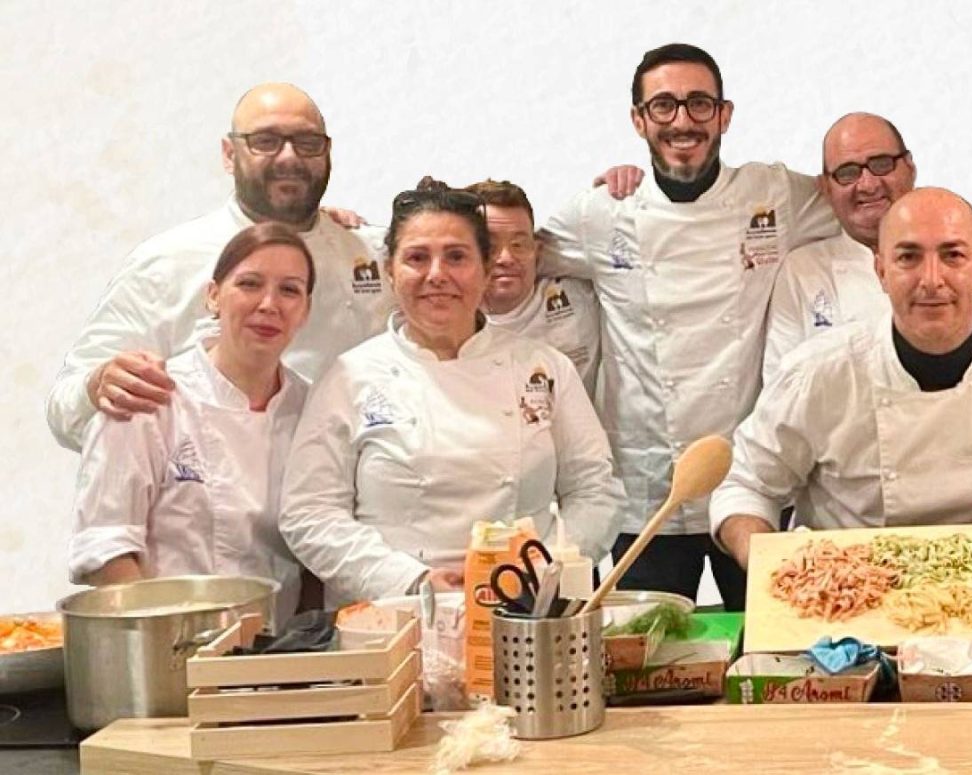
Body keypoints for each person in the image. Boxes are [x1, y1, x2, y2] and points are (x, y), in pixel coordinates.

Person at [536, 43, 849, 610]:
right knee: (643, 651)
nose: (682, 121)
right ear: (639, 121)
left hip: (753, 482)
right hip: (647, 491)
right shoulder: (600, 212)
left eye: (699, 104)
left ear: (724, 115)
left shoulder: (773, 194)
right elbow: (505, 250)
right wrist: (359, 240)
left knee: (772, 638)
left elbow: (867, 202)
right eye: (663, 106)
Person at [281, 182, 621, 604]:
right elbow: (309, 512)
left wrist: (542, 570)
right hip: (396, 611)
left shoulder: (543, 368)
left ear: (485, 269)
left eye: (457, 257)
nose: (437, 275)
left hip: (526, 610)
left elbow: (595, 490)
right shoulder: (349, 376)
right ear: (389, 271)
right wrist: (408, 580)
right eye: (417, 258)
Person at [710, 189, 972, 562]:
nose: (931, 280)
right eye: (908, 257)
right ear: (881, 272)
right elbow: (746, 486)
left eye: (953, 255)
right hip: (848, 588)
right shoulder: (818, 374)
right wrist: (772, 567)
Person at [48, 83, 391, 451]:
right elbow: (66, 413)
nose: (289, 157)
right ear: (229, 155)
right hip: (213, 479)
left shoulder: (374, 253)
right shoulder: (168, 262)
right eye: (266, 141)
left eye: (307, 142)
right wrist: (97, 387)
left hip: (347, 477)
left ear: (328, 151)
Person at [70, 223, 317, 623]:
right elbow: (106, 548)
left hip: (279, 644)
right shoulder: (149, 395)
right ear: (213, 295)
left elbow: (317, 545)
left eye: (289, 290)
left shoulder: (312, 409)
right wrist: (171, 635)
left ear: (305, 311)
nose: (269, 304)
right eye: (250, 284)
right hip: (164, 637)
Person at [762, 113, 972, 384]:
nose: (867, 185)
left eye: (881, 164)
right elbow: (780, 386)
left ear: (910, 167)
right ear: (826, 188)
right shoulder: (801, 271)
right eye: (847, 173)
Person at [464, 179, 601, 386]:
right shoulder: (448, 325)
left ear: (537, 250)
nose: (506, 258)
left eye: (518, 244)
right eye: (490, 246)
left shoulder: (579, 294)